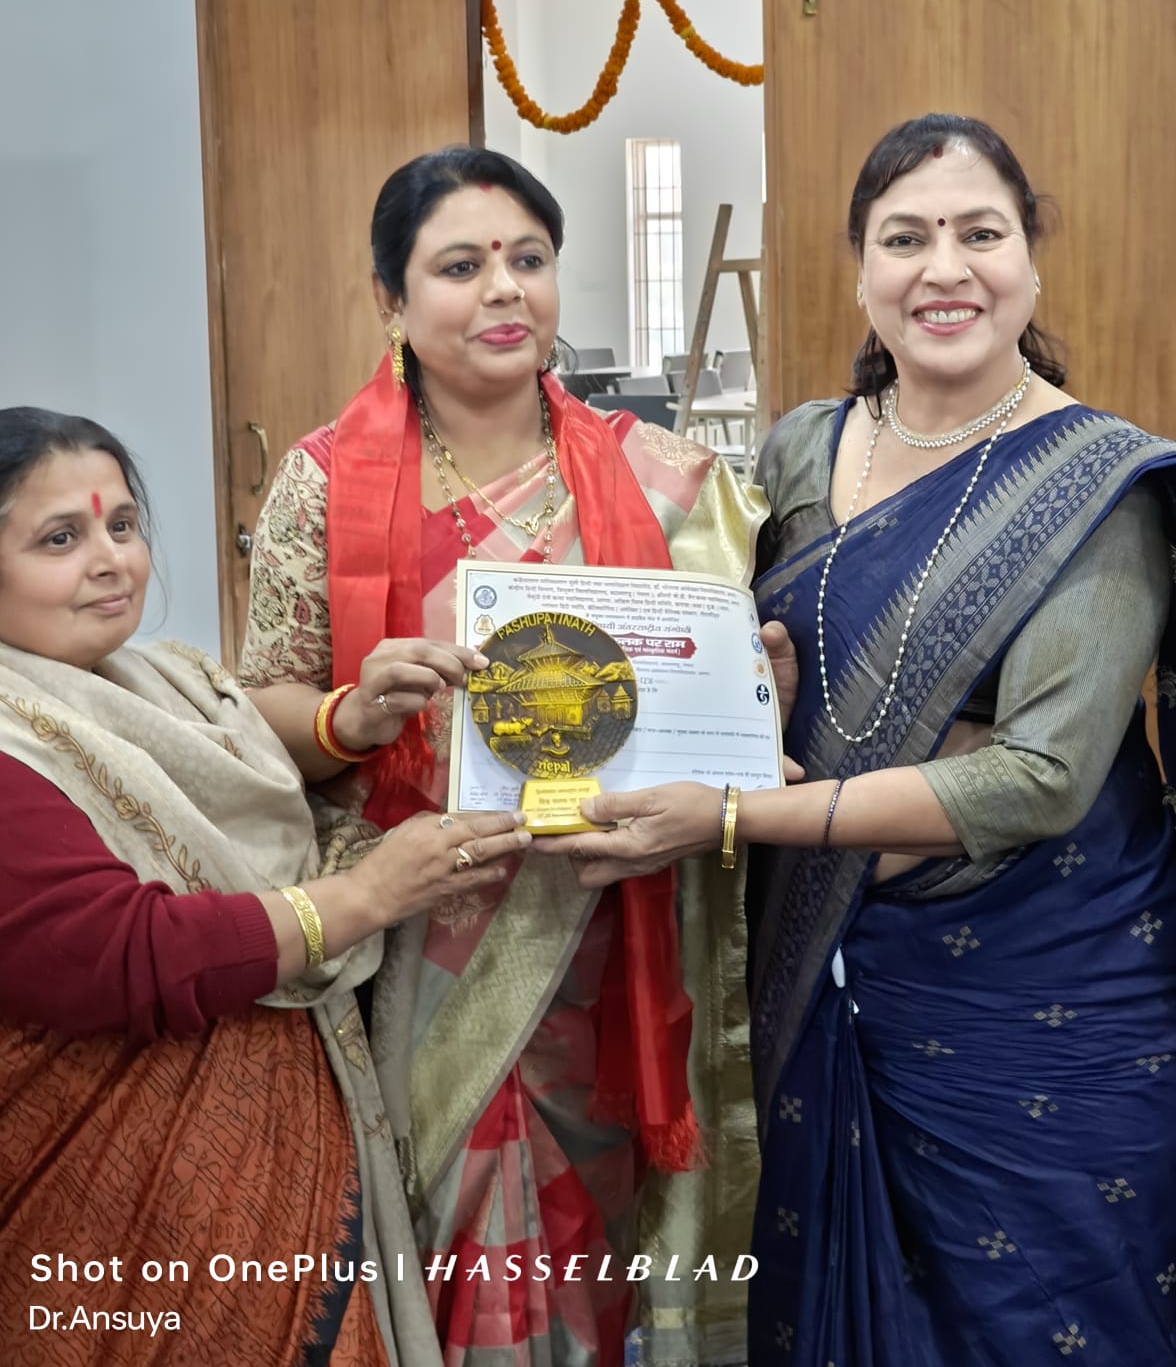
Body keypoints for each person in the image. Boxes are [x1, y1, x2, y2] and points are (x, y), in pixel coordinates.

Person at [533, 115, 1176, 1365]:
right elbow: (789, 690)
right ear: (861, 268)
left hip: (1043, 995)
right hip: (827, 965)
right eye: (906, 237)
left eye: (980, 232)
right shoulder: (805, 446)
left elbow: (1040, 777)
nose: (945, 268)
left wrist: (734, 816)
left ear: (1031, 261)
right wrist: (758, 694)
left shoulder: (1102, 488)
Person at [239, 145, 781, 1367]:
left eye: (528, 259)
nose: (503, 289)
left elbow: (722, 698)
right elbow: (262, 701)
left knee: (586, 1245)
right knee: (438, 1230)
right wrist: (348, 718)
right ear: (390, 298)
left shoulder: (665, 475)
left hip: (606, 922)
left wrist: (759, 686)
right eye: (460, 266)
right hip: (413, 929)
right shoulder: (321, 483)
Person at [0, 406, 531, 1366]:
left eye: (123, 525)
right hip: (133, 1188)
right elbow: (122, 956)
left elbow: (237, 750)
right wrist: (368, 896)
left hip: (274, 1138)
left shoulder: (158, 682)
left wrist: (352, 719)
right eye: (60, 539)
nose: (112, 561)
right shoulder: (12, 736)